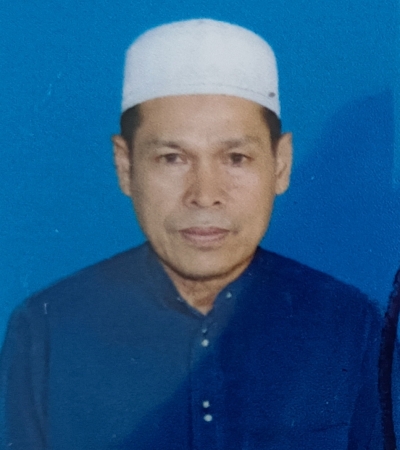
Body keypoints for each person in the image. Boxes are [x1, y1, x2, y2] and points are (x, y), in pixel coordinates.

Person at [0, 19, 383, 449]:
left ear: (280, 164)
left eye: (235, 158)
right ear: (125, 166)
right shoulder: (47, 331)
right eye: (172, 158)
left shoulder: (350, 324)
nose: (204, 195)